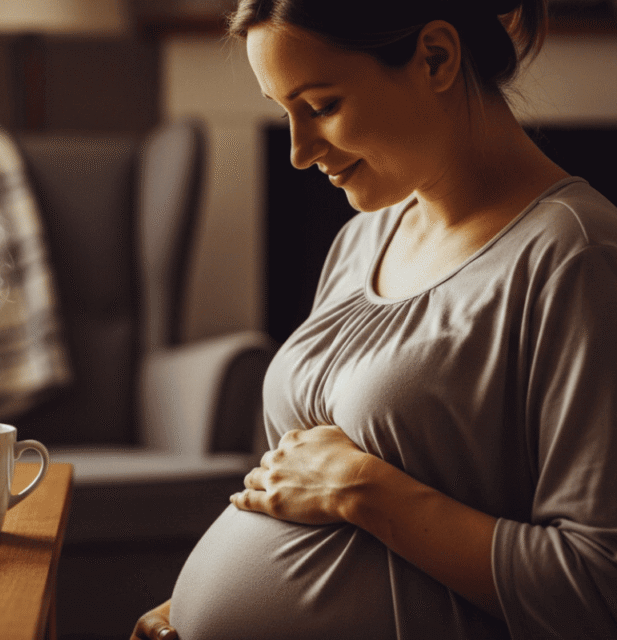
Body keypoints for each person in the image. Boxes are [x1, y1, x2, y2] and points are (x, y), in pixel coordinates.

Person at [132, 0, 617, 638]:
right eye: (285, 114)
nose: (300, 153)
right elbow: (293, 487)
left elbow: (596, 586)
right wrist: (180, 612)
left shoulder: (575, 256)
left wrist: (364, 489)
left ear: (436, 57)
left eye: (322, 106)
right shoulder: (363, 238)